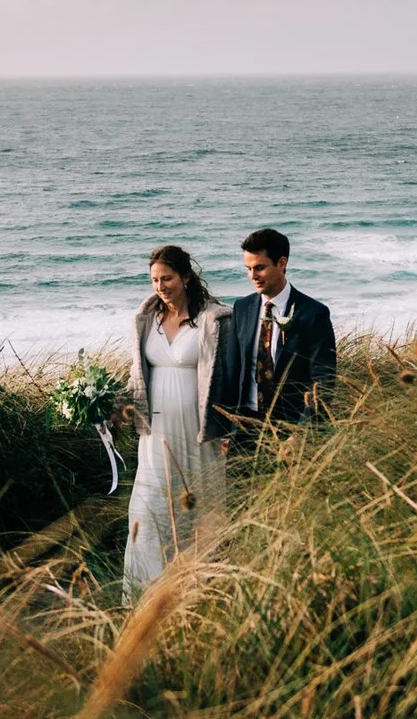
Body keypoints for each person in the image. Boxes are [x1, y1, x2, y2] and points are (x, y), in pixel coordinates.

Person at [123, 244, 235, 594]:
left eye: (167, 278)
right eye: (155, 279)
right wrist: (108, 408)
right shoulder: (145, 321)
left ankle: (198, 587)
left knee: (196, 508)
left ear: (186, 277)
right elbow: (136, 377)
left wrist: (229, 426)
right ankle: (149, 593)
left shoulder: (214, 321)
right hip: (155, 433)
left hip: (198, 430)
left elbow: (228, 377)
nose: (160, 286)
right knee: (148, 508)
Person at [216, 227, 336, 446]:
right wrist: (226, 430)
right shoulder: (242, 308)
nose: (253, 276)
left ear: (282, 263)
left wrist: (301, 434)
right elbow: (233, 371)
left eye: (259, 268)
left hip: (291, 430)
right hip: (245, 428)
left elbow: (323, 380)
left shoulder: (313, 313)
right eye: (248, 269)